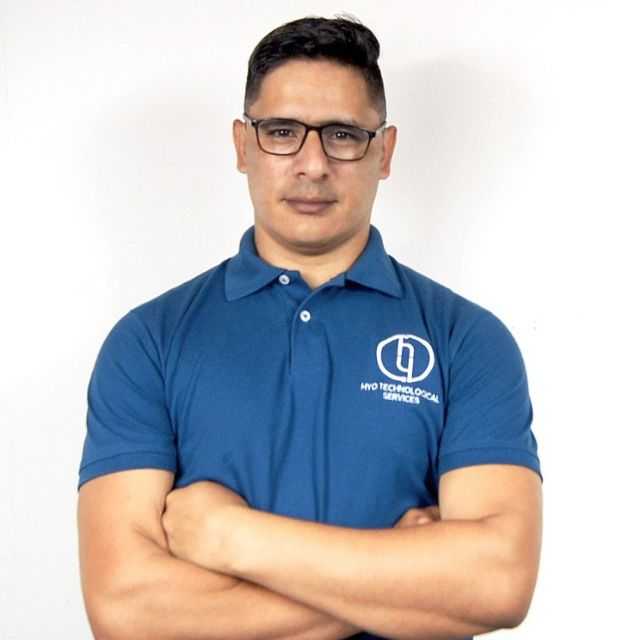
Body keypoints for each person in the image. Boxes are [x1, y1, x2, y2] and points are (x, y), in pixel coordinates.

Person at [77, 14, 543, 640]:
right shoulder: (148, 343)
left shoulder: (468, 341)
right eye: (282, 132)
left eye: (344, 135)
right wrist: (407, 579)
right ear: (242, 146)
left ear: (384, 152)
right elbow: (124, 610)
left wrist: (233, 536)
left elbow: (498, 583)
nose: (313, 164)